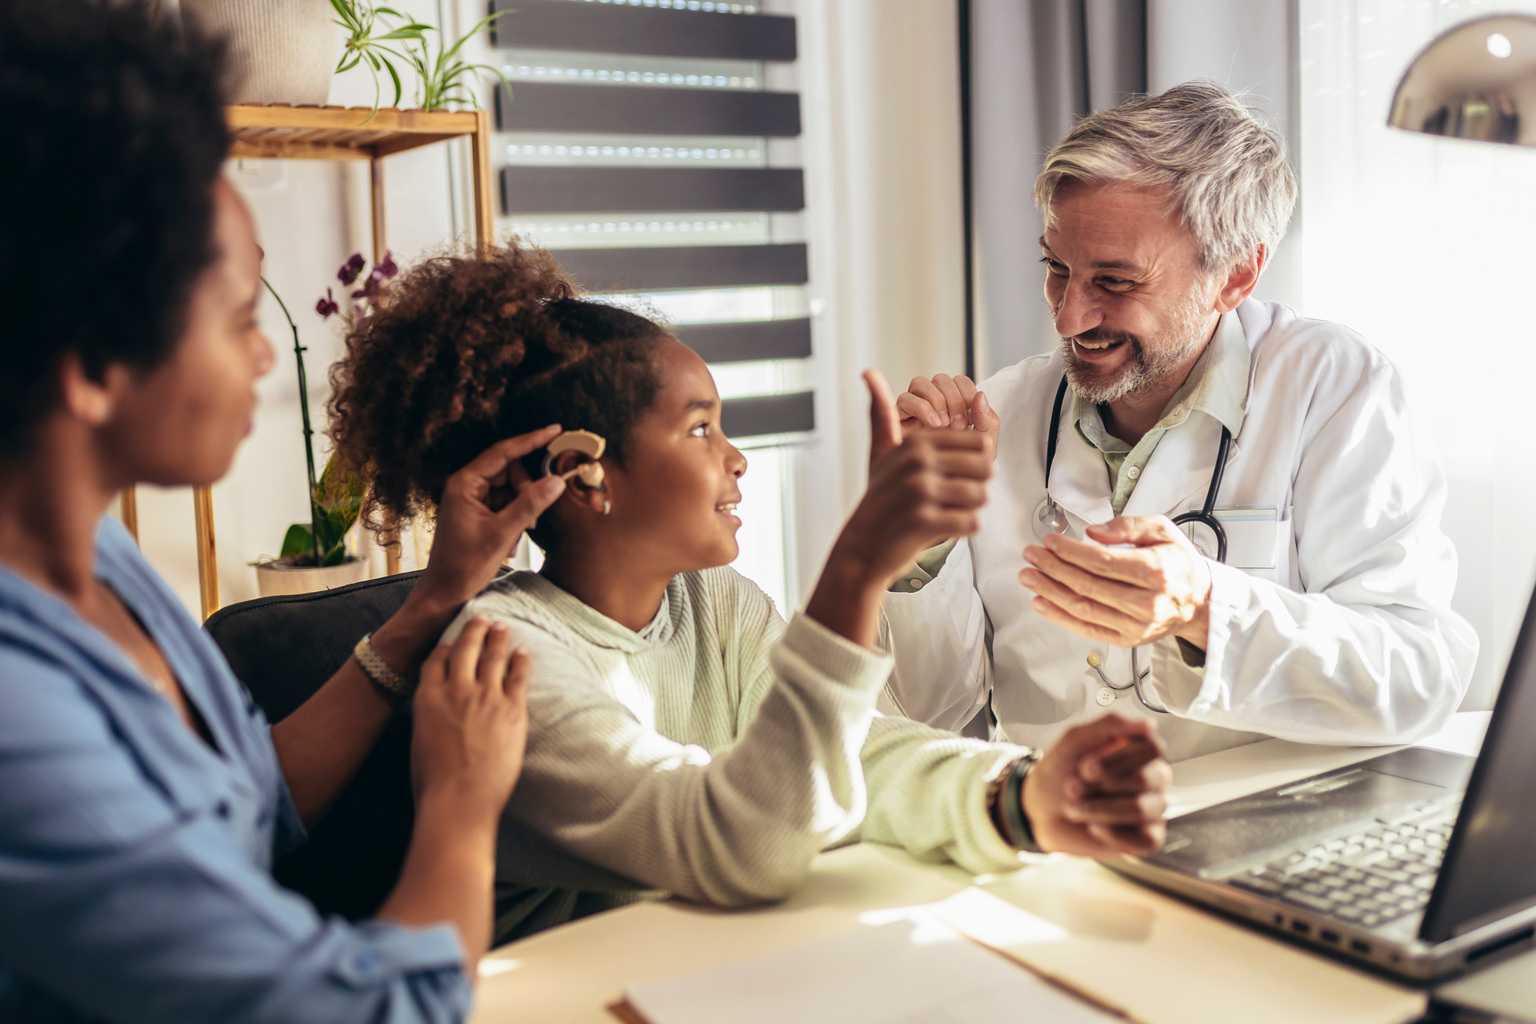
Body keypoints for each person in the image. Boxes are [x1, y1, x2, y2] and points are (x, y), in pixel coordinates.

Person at [325, 242, 1174, 942]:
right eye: (700, 428)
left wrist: (1021, 798)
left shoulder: (713, 603)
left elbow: (856, 754)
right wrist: (857, 566)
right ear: (581, 474)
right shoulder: (504, 661)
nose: (736, 459)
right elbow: (736, 838)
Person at [0, 3, 566, 1020]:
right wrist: (463, 800)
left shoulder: (94, 551)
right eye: (234, 317)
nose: (267, 354)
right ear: (90, 364)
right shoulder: (21, 725)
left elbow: (241, 803)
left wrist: (435, 597)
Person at [882, 81, 1479, 763]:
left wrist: (1207, 610)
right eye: (1056, 268)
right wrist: (919, 546)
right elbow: (930, 720)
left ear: (1235, 275)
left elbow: (1419, 677)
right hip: (1063, 833)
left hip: (1264, 826)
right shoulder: (999, 414)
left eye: (1114, 281)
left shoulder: (1332, 387)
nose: (1068, 317)